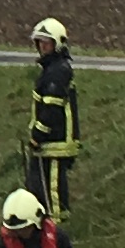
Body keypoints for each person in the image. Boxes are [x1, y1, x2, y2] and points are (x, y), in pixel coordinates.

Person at [25, 14, 80, 213]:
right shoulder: (51, 69)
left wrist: (37, 135)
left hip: (55, 141)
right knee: (43, 189)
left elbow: (51, 110)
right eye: (39, 42)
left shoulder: (57, 71)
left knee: (53, 192)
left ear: (57, 43)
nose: (42, 46)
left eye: (46, 42)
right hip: (50, 142)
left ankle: (56, 225)